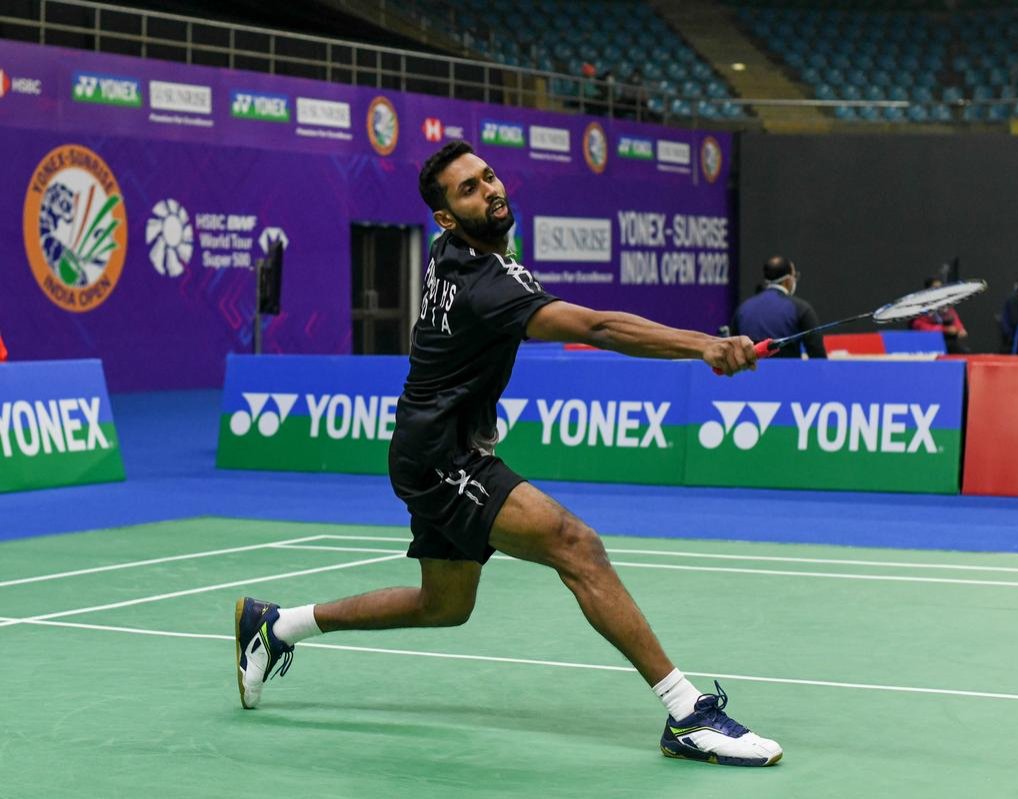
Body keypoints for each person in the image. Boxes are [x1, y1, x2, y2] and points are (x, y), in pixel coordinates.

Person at [234, 141, 782, 768]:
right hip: (443, 455)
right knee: (576, 545)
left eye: (488, 176)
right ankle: (687, 715)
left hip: (425, 445)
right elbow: (597, 328)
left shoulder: (460, 251)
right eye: (468, 190)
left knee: (443, 606)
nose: (489, 190)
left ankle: (275, 626)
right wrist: (702, 347)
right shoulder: (486, 283)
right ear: (445, 218)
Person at [730, 256, 827, 358]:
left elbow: (732, 350)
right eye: (795, 276)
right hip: (788, 373)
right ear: (788, 280)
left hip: (751, 372)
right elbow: (817, 354)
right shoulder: (801, 309)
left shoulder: (743, 309)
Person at [910, 277, 969, 354]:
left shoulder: (945, 304)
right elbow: (919, 326)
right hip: (927, 343)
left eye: (940, 288)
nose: (938, 290)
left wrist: (960, 329)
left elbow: (954, 319)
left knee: (964, 353)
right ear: (927, 290)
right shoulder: (920, 307)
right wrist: (944, 329)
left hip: (947, 341)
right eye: (935, 288)